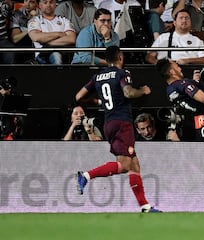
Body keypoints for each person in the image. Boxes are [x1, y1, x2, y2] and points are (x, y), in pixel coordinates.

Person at [75, 46, 161, 213]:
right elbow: (128, 93)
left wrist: (98, 102)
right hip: (122, 123)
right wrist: (142, 90)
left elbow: (78, 97)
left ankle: (145, 206)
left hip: (109, 123)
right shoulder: (122, 74)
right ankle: (85, 175)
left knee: (134, 164)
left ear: (106, 60)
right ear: (120, 57)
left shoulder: (97, 76)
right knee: (125, 164)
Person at [27, 0, 76, 64]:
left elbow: (71, 39)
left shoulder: (64, 20)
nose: (48, 5)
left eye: (51, 2)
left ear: (55, 4)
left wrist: (46, 44)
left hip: (63, 53)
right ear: (40, 5)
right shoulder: (35, 20)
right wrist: (59, 34)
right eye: (45, 2)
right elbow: (36, 37)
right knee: (56, 56)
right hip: (42, 55)